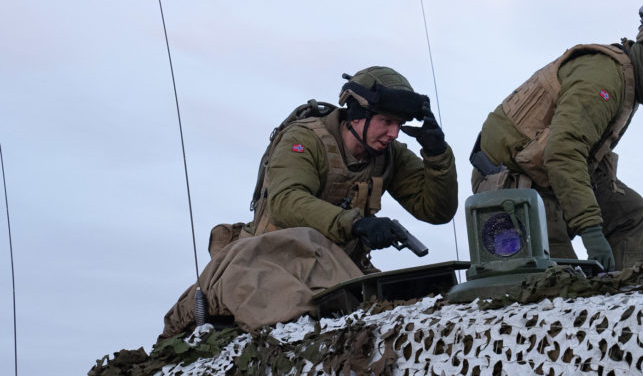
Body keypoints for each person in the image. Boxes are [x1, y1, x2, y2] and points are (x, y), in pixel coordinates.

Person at [161, 66, 457, 337]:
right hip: (277, 262)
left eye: (400, 124)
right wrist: (356, 224)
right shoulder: (304, 140)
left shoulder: (388, 154)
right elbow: (287, 201)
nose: (394, 133)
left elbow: (436, 210)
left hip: (340, 272)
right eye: (386, 121)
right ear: (357, 115)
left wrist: (437, 154)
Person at [470, 0, 643, 273]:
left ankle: (627, 293)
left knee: (630, 212)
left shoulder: (628, 82)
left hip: (548, 175)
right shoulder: (604, 79)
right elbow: (563, 152)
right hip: (513, 183)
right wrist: (591, 230)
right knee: (562, 281)